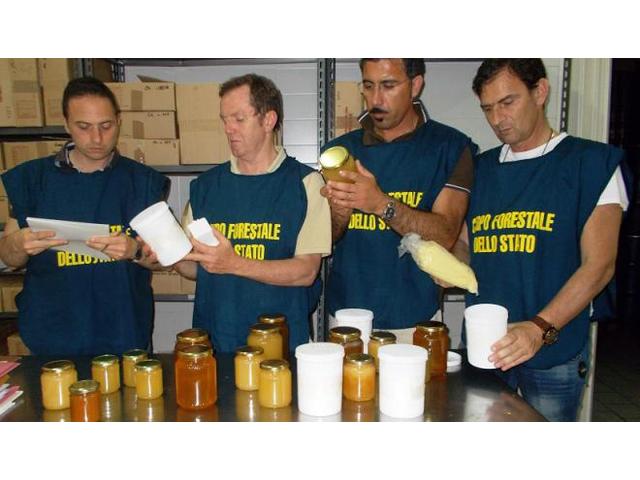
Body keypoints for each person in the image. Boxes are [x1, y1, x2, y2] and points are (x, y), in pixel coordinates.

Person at [462, 59, 627, 421]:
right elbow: (466, 244)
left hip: (553, 349)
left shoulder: (590, 163)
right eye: (487, 108)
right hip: (486, 344)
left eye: (508, 102)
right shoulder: (479, 169)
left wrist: (538, 328)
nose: (497, 119)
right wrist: (447, 264)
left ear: (540, 91)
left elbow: (599, 266)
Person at [0, 77, 169, 356]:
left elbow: (164, 259)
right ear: (66, 124)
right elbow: (9, 257)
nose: (97, 138)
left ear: (119, 121)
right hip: (52, 335)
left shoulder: (142, 182)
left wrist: (136, 251)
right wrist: (18, 244)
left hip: (124, 334)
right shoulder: (32, 179)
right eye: (84, 127)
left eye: (106, 126)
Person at [171, 73, 331, 353]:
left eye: (239, 119)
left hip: (278, 343)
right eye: (224, 120)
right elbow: (196, 268)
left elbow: (306, 271)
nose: (228, 129)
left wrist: (234, 263)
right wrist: (167, 255)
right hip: (217, 341)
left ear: (268, 120)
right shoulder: (205, 187)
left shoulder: (305, 184)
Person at [321, 58, 476, 342]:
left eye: (388, 85)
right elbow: (326, 239)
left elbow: (445, 234)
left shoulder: (451, 148)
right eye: (369, 86)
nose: (376, 99)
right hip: (347, 318)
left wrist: (380, 204)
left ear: (415, 85)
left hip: (416, 320)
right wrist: (339, 212)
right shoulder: (340, 151)